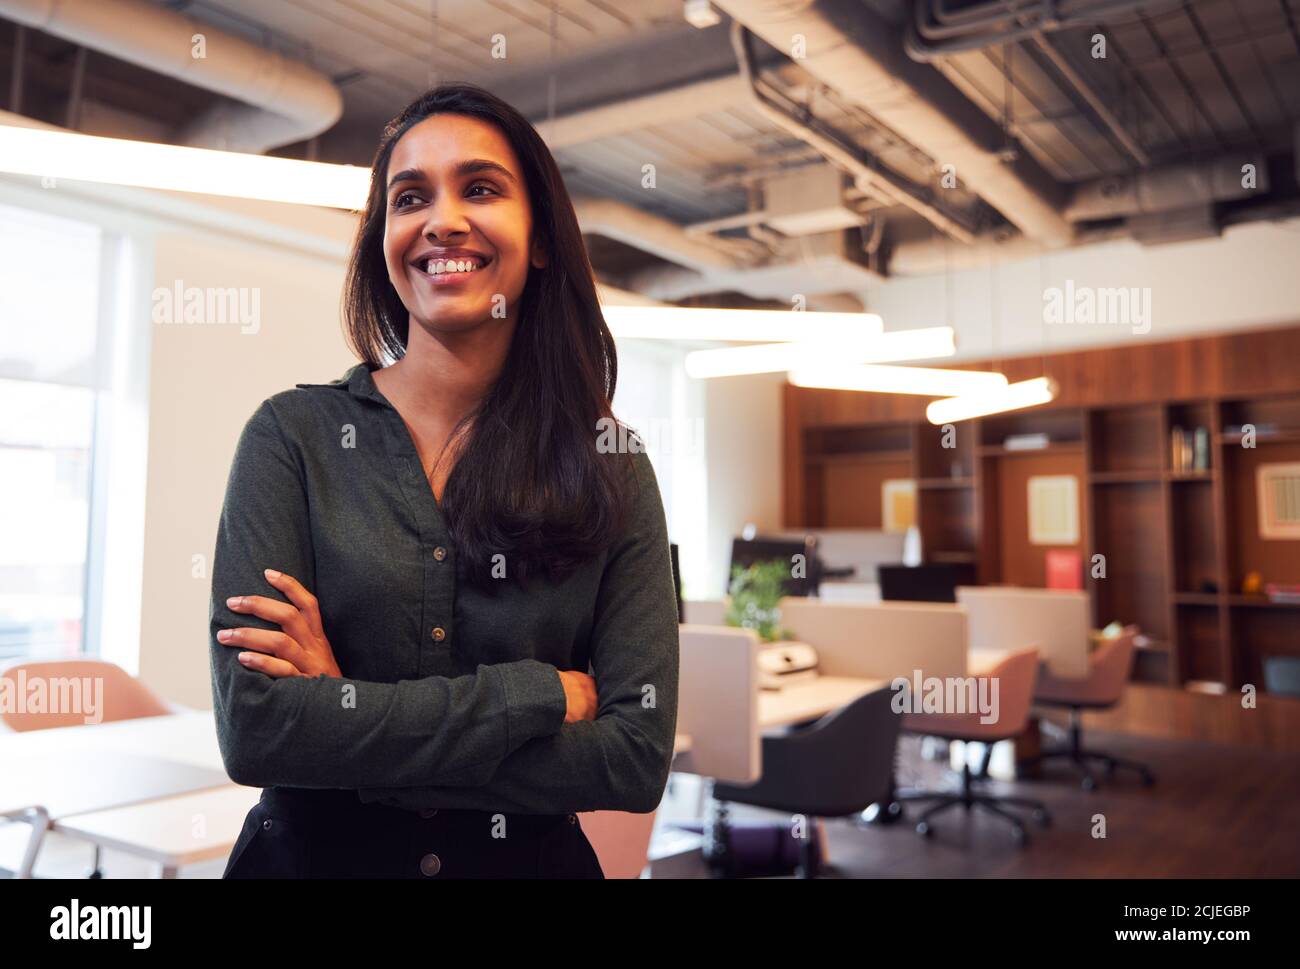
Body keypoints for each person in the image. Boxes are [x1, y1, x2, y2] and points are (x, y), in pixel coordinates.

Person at [208, 82, 680, 879]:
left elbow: (633, 757)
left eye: (482, 188)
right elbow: (260, 732)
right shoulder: (292, 440)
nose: (442, 219)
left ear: (539, 240)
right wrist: (534, 698)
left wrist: (347, 714)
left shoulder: (611, 463)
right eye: (409, 197)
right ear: (383, 241)